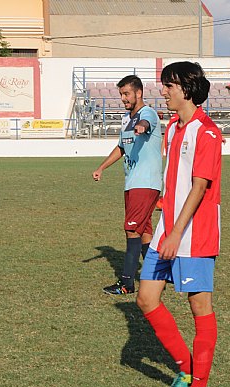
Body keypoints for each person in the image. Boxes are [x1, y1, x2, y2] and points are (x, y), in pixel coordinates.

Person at [137, 61, 222, 387]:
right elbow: (177, 178)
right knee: (145, 298)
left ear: (186, 87)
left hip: (193, 235)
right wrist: (159, 208)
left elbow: (200, 188)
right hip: (166, 229)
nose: (164, 92)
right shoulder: (172, 128)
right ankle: (185, 371)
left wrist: (175, 234)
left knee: (198, 306)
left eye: (168, 86)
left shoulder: (208, 133)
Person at [93, 75, 162, 295]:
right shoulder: (126, 119)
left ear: (138, 93)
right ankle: (158, 274)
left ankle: (126, 283)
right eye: (121, 94)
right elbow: (121, 147)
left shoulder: (147, 113)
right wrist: (102, 167)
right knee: (143, 232)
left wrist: (141, 127)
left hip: (145, 182)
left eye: (126, 94)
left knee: (131, 230)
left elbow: (147, 122)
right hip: (133, 183)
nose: (123, 98)